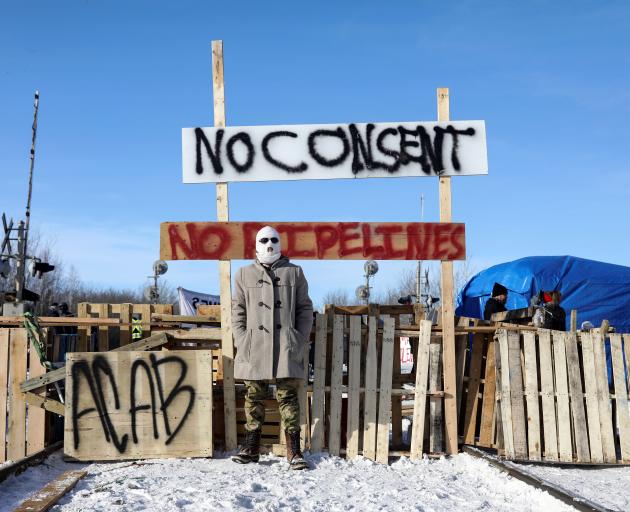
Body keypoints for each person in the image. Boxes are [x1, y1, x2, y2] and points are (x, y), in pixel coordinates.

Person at [231, 226, 313, 470]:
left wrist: (298, 337)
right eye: (264, 240)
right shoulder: (243, 274)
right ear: (256, 244)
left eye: (273, 239)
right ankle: (251, 447)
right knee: (253, 396)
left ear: (280, 243)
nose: (269, 244)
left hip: (286, 345)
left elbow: (304, 309)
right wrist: (242, 338)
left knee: (288, 397)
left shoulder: (294, 272)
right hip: (254, 346)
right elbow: (238, 311)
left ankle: (294, 451)